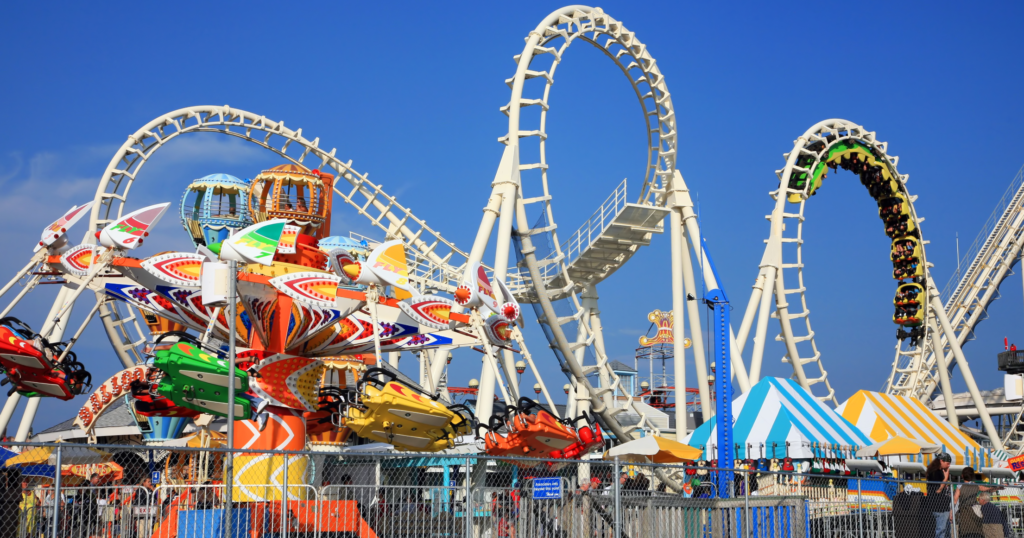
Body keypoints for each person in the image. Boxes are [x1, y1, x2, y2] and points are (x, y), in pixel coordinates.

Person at [956, 467, 996, 538]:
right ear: (972, 476)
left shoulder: (959, 486)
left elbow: (955, 500)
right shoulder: (975, 486)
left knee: (964, 531)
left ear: (962, 475)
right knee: (976, 530)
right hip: (975, 510)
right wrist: (997, 487)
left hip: (964, 512)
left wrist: (951, 512)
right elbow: (987, 489)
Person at [926, 453, 952, 538]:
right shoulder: (935, 473)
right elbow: (937, 490)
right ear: (941, 461)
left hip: (942, 506)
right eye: (947, 463)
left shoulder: (938, 471)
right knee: (941, 530)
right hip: (939, 507)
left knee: (946, 530)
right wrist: (945, 479)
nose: (949, 465)